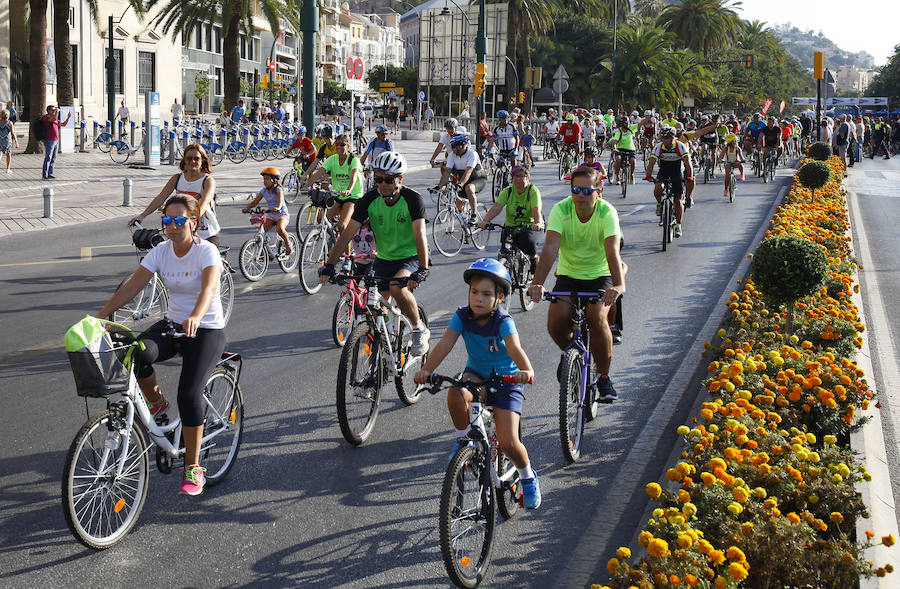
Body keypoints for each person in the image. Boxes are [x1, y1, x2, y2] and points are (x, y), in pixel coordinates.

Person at [98, 193, 225, 497]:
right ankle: (157, 405)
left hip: (205, 328)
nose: (172, 226)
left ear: (193, 223)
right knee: (136, 353)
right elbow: (132, 285)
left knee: (190, 393)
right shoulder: (161, 252)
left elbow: (208, 289)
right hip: (173, 324)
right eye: (167, 220)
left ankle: (193, 467)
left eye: (180, 220)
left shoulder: (207, 252)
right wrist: (100, 316)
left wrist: (195, 315)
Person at [413, 258, 540, 509]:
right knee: (456, 392)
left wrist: (526, 369)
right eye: (474, 292)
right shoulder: (463, 315)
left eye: (486, 294)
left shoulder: (503, 321)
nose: (478, 298)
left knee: (508, 442)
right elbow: (446, 344)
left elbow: (514, 347)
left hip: (507, 381)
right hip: (477, 376)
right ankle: (464, 440)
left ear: (500, 298)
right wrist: (427, 370)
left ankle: (528, 477)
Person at [527, 166, 625, 402]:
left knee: (596, 316)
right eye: (575, 190)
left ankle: (603, 377)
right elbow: (550, 248)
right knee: (556, 320)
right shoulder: (562, 209)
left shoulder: (607, 212)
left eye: (586, 190)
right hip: (570, 273)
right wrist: (537, 282)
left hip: (600, 274)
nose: (580, 195)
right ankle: (569, 351)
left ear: (598, 192)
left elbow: (612, 252)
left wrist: (618, 286)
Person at [319, 151, 431, 355]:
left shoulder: (413, 199)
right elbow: (345, 236)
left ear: (400, 179)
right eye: (378, 179)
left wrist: (422, 269)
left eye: (388, 179)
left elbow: (420, 236)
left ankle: (418, 328)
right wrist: (329, 264)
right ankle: (374, 374)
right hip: (384, 259)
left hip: (410, 257)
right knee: (375, 315)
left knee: (397, 287)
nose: (383, 184)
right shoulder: (368, 200)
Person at [129, 144, 221, 245]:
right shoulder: (177, 178)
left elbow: (203, 205)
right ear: (184, 160)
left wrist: (190, 219)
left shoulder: (208, 181)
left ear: (202, 160)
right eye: (189, 158)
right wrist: (142, 216)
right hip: (182, 231)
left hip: (205, 233)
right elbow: (160, 198)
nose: (193, 161)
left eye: (196, 158)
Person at [478, 166, 543, 274]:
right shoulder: (508, 192)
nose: (517, 179)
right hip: (511, 226)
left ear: (528, 177)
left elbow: (536, 209)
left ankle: (533, 257)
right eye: (515, 176)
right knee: (504, 250)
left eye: (520, 176)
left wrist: (537, 223)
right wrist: (485, 221)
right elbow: (496, 207)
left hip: (529, 225)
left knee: (528, 243)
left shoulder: (533, 191)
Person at [302, 133, 363, 237]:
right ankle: (333, 236)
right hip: (338, 195)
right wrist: (306, 186)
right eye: (337, 144)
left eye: (342, 144)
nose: (339, 146)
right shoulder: (332, 159)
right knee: (320, 217)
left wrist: (348, 190)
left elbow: (353, 178)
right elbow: (318, 174)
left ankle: (346, 253)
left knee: (342, 226)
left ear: (348, 146)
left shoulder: (354, 160)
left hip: (352, 196)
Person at [644, 127, 693, 238]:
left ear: (672, 138)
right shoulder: (658, 147)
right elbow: (651, 163)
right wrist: (648, 175)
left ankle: (678, 225)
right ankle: (659, 204)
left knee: (678, 200)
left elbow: (687, 163)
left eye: (666, 138)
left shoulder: (680, 146)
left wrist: (689, 177)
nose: (664, 140)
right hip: (664, 172)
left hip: (677, 173)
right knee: (658, 187)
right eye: (662, 137)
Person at [435, 132, 486, 222]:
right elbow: (447, 172)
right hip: (463, 180)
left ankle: (474, 215)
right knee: (458, 202)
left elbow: (469, 171)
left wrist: (461, 184)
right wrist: (439, 186)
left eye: (453, 146)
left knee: (469, 188)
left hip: (478, 178)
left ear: (461, 146)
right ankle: (465, 221)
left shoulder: (472, 154)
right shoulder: (452, 155)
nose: (451, 149)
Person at [242, 167, 292, 255]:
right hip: (271, 215)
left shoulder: (278, 190)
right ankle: (262, 251)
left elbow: (280, 202)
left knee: (280, 229)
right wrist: (247, 208)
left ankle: (288, 244)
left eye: (267, 179)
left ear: (275, 181)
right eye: (264, 179)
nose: (265, 181)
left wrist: (278, 208)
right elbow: (255, 202)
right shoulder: (263, 191)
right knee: (261, 231)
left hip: (282, 214)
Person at [41, 105, 71, 180]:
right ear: (49, 111)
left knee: (54, 157)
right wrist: (57, 112)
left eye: (55, 110)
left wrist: (68, 117)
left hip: (56, 140)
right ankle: (45, 174)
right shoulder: (46, 118)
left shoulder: (55, 119)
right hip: (49, 140)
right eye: (53, 110)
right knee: (48, 157)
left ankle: (50, 173)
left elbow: (63, 124)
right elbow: (53, 118)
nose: (54, 111)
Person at [0, 109, 20, 174]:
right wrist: (16, 142)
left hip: (0, 139)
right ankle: (8, 168)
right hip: (7, 141)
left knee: (0, 154)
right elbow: (13, 133)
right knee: (8, 154)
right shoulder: (10, 123)